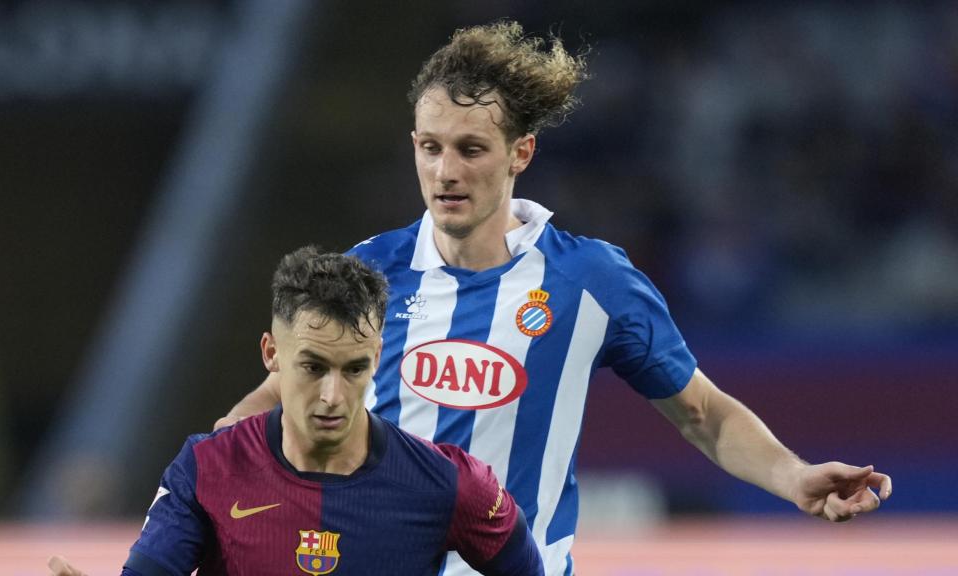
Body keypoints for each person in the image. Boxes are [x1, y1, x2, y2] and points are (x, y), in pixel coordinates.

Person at [207, 21, 893, 576]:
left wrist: (794, 476)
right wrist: (201, 491)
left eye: (471, 148)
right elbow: (278, 399)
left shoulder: (591, 280)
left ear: (521, 153)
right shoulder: (369, 270)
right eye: (430, 147)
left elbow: (703, 414)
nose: (446, 171)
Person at [49, 247, 544, 576]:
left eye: (353, 369)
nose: (332, 396)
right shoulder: (206, 470)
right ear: (271, 354)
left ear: (377, 357)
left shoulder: (453, 485)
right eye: (313, 366)